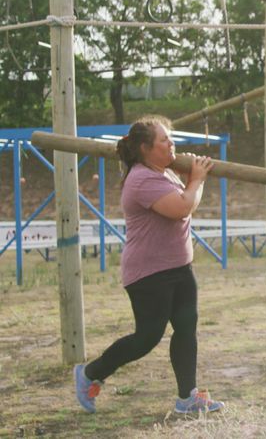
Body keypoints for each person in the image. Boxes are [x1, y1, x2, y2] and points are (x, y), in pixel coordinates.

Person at [74, 116, 224, 414]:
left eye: (171, 139)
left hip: (180, 266)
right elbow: (182, 207)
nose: (172, 144)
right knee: (147, 337)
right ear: (145, 148)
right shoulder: (141, 179)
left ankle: (187, 398)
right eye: (164, 140)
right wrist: (197, 178)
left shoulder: (165, 172)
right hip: (149, 274)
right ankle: (91, 373)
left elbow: (186, 200)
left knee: (186, 328)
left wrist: (194, 177)